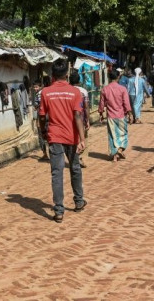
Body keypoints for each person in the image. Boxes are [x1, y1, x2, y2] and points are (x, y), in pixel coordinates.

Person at [39, 59, 86, 223]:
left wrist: (43, 132)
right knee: (75, 168)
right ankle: (79, 201)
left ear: (53, 74)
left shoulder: (46, 92)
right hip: (71, 137)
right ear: (67, 74)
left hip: (54, 137)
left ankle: (59, 211)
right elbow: (78, 116)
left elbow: (42, 116)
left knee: (56, 173)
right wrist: (82, 139)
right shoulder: (75, 92)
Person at [99, 68, 133, 162]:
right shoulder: (122, 89)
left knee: (112, 135)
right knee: (123, 134)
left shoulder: (105, 89)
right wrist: (130, 114)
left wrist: (101, 113)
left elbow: (102, 103)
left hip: (111, 116)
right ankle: (120, 149)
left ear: (109, 77)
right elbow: (126, 103)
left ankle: (115, 155)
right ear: (118, 77)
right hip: (121, 115)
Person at [69, 70, 91, 168]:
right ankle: (79, 157)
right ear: (79, 80)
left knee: (72, 138)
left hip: (69, 119)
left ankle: (75, 157)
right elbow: (86, 107)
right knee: (81, 138)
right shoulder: (83, 91)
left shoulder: (67, 91)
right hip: (80, 118)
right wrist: (87, 120)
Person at [31, 81, 48, 161]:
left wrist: (35, 107)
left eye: (36, 87)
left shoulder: (39, 95)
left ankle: (45, 154)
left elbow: (39, 107)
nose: (35, 89)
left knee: (41, 136)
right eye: (34, 87)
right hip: (48, 117)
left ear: (41, 86)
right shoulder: (46, 92)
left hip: (42, 117)